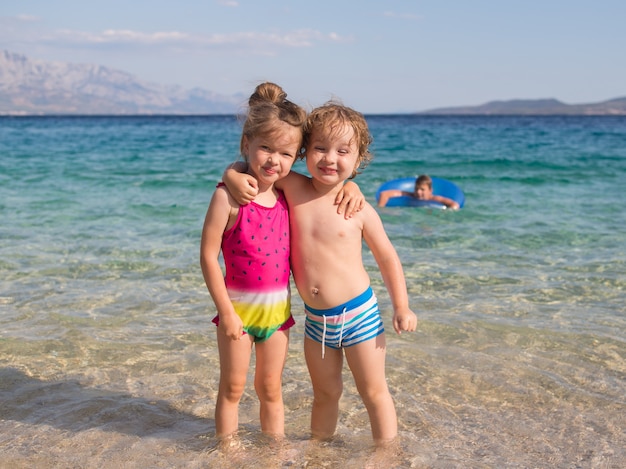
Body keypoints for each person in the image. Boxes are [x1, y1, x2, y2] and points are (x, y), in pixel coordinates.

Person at [224, 101, 417, 446]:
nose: (330, 158)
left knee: (373, 392)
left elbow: (387, 258)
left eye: (343, 152)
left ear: (358, 161)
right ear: (303, 152)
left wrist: (401, 306)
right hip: (317, 322)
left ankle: (387, 453)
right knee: (325, 393)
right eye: (320, 148)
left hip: (359, 315)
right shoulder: (294, 187)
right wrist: (230, 176)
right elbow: (255, 164)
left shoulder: (357, 208)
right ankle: (320, 450)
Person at [199, 82, 306, 440]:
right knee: (232, 389)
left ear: (296, 157)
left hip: (278, 317)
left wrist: (351, 188)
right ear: (247, 144)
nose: (274, 160)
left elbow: (330, 187)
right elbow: (208, 257)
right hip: (238, 314)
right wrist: (226, 312)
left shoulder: (287, 195)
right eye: (265, 148)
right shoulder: (228, 198)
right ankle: (226, 452)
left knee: (271, 391)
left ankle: (274, 451)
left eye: (286, 153)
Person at [377, 174, 460, 209]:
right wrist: (381, 209)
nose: (418, 192)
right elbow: (384, 194)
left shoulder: (435, 199)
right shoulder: (412, 195)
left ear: (430, 190)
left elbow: (454, 205)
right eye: (417, 189)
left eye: (422, 190)